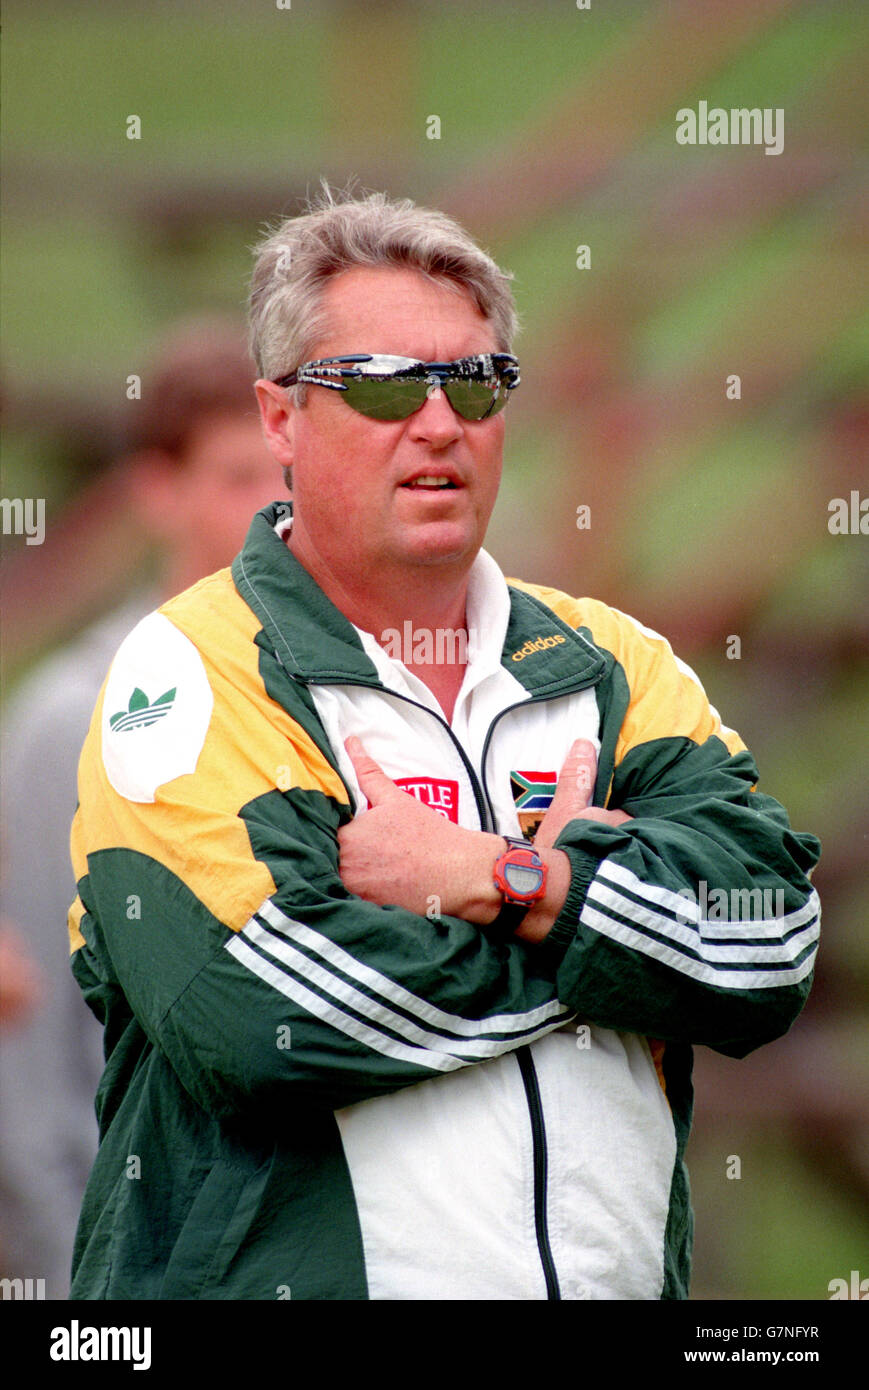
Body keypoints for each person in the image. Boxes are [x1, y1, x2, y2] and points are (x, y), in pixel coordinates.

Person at [67, 190, 821, 1301]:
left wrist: (497, 878)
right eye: (378, 383)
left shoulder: (612, 660)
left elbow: (767, 943)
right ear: (279, 418)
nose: (436, 422)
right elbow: (273, 1010)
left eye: (472, 382)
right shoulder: (182, 668)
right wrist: (621, 943)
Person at [0, 319, 282, 1297]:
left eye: (289, 471)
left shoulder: (339, 708)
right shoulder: (72, 720)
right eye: (240, 476)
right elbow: (32, 1081)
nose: (276, 506)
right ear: (157, 492)